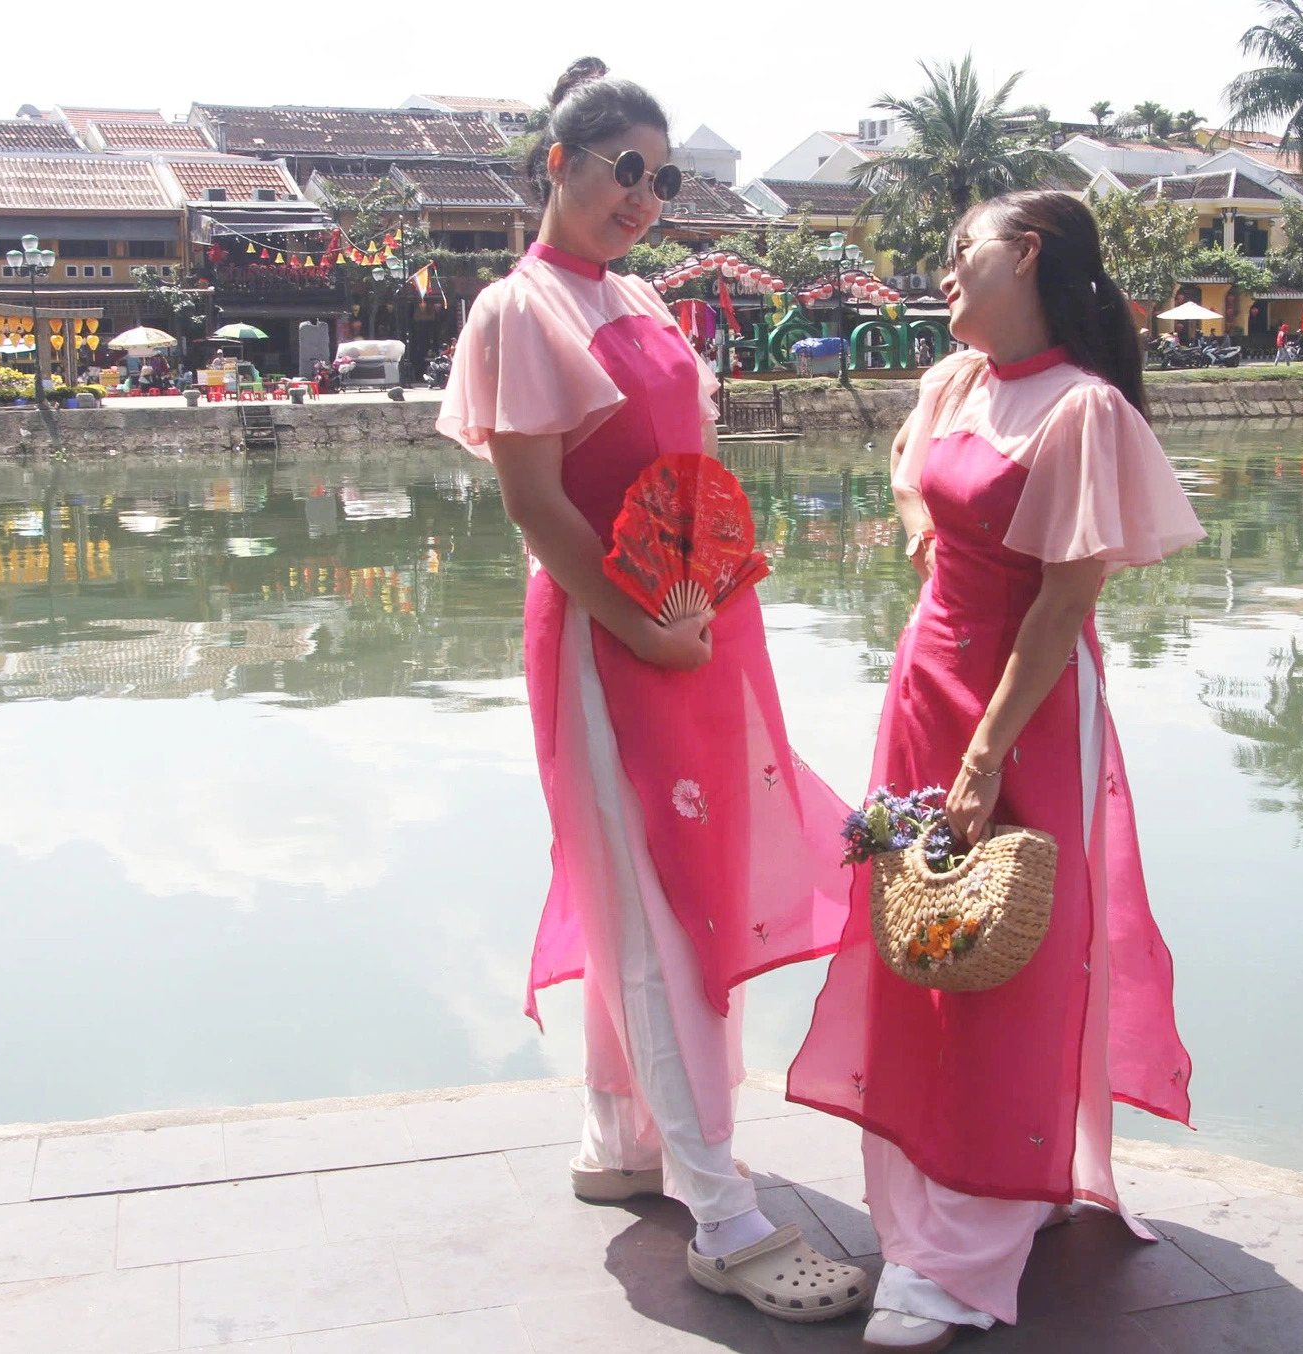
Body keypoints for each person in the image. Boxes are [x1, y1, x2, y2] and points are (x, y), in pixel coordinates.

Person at [437, 56, 869, 1325]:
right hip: (605, 632)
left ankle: (622, 1136)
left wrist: (710, 598)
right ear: (558, 166)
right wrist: (636, 624)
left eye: (662, 176)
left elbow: (686, 467)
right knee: (652, 908)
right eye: (625, 168)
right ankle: (721, 1215)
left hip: (689, 619)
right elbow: (535, 504)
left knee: (685, 879)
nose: (645, 195)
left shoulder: (632, 294)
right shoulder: (520, 309)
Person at [788, 190, 1203, 1352]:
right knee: (920, 940)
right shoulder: (953, 383)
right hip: (924, 679)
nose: (944, 273)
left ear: (1023, 256)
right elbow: (909, 474)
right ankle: (928, 1198)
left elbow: (1068, 597)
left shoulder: (1081, 411)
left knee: (1005, 956)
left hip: (1021, 705)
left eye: (960, 253)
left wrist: (981, 761)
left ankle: (964, 1255)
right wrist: (926, 528)